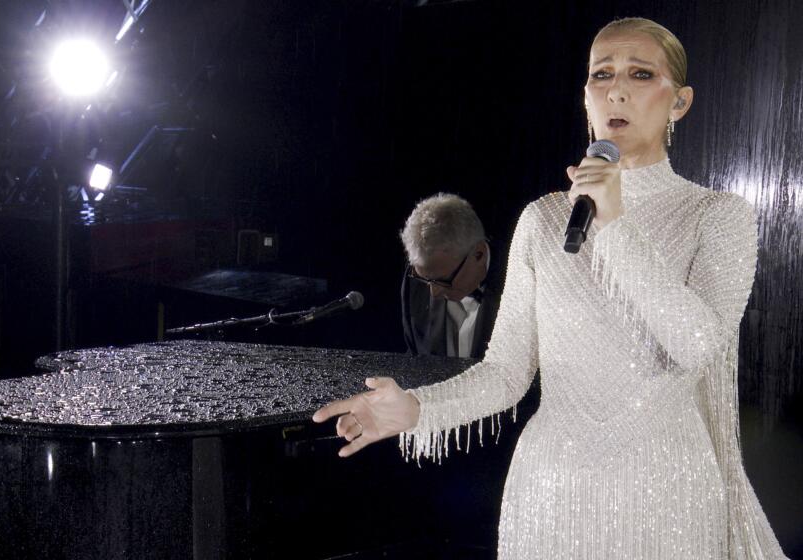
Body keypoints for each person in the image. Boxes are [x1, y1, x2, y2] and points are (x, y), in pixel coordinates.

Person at [314, 17, 789, 559]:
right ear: (585, 95)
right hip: (551, 492)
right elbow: (507, 372)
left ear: (678, 102)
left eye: (639, 73)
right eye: (601, 74)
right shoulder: (543, 219)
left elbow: (699, 345)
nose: (616, 89)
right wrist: (417, 410)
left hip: (667, 493)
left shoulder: (718, 215)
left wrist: (615, 226)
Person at [400, 193, 502, 360]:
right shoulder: (417, 279)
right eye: (424, 279)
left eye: (442, 280)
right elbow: (416, 360)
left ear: (479, 254)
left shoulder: (523, 282)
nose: (433, 293)